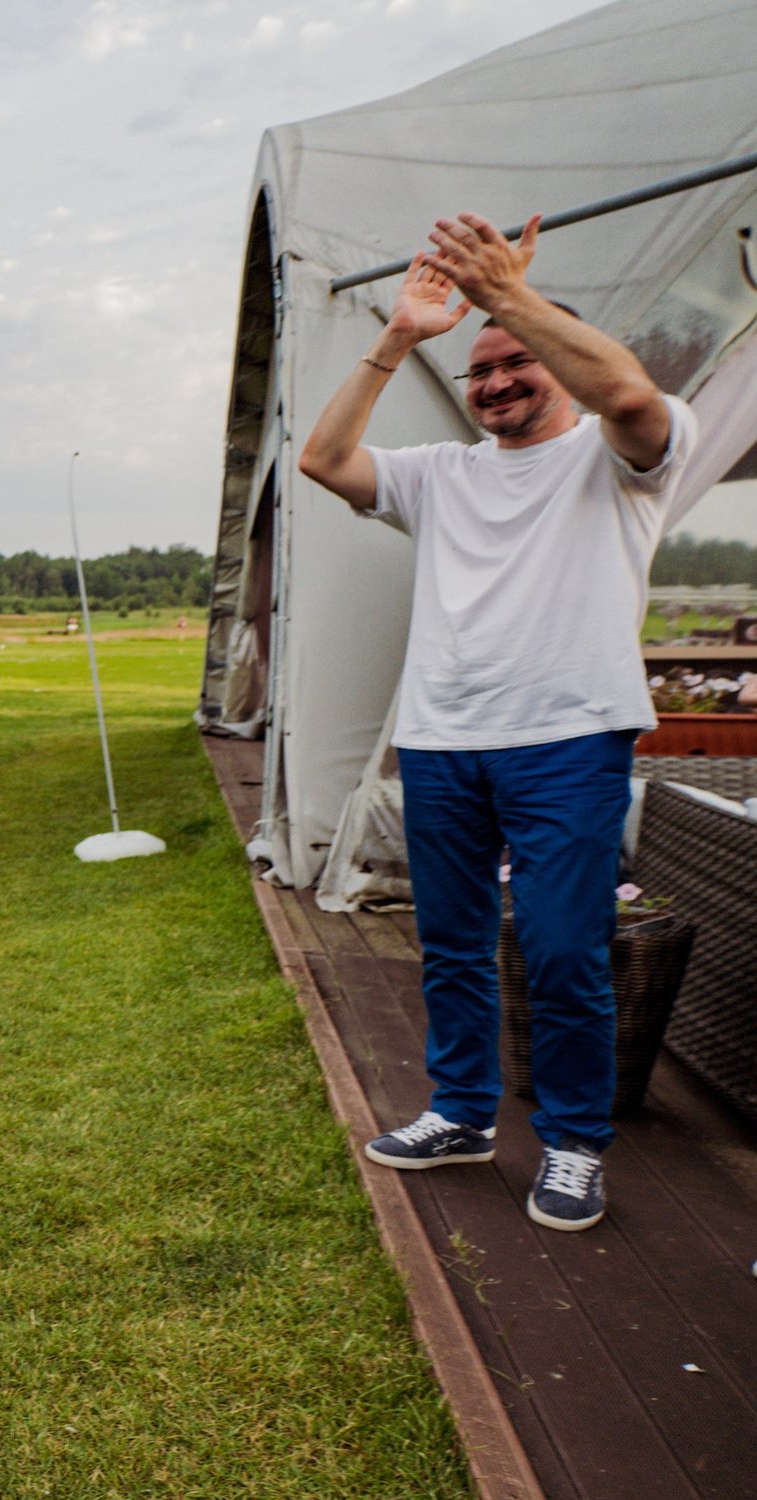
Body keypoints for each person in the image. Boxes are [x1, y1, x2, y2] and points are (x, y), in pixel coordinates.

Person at [297, 212, 697, 1233]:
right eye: (480, 369)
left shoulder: (623, 457)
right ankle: (461, 1113)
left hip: (568, 739)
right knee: (453, 945)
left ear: (558, 364)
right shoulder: (441, 473)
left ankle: (570, 1144)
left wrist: (507, 295)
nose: (497, 381)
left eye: (518, 359)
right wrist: (398, 338)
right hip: (441, 741)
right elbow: (323, 459)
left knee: (563, 952)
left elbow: (628, 393)